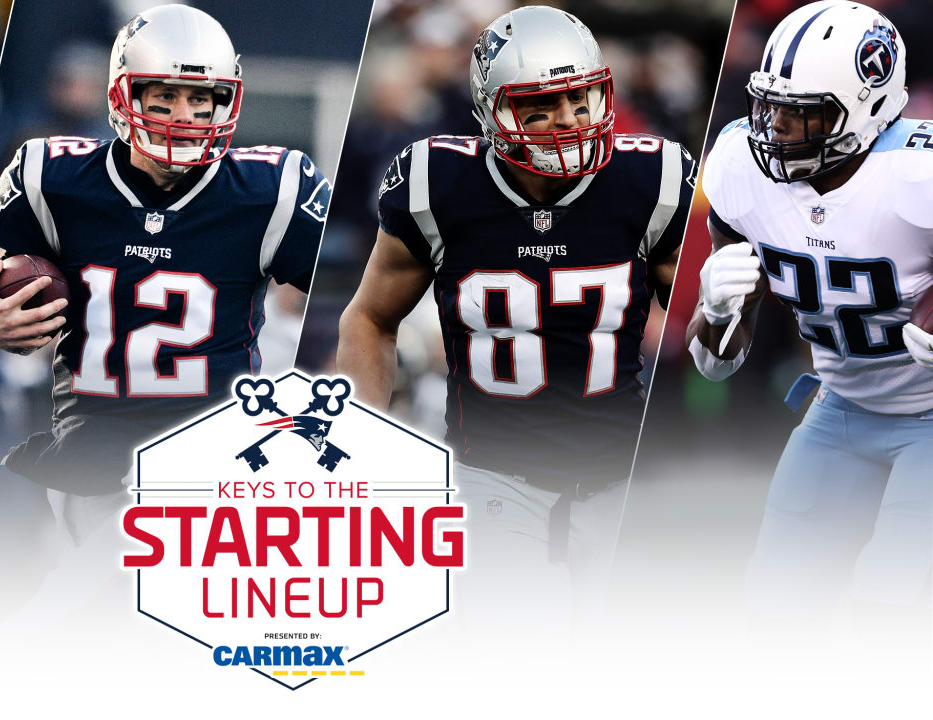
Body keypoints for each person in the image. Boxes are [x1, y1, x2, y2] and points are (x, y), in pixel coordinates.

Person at [336, 6, 694, 628]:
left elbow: (698, 331)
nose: (568, 121)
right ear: (490, 113)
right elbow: (369, 318)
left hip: (619, 477)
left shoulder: (652, 179)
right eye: (540, 106)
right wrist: (366, 439)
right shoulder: (436, 183)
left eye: (581, 99)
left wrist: (719, 312)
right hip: (492, 473)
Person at [0, 4, 327, 565]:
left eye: (201, 99)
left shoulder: (271, 188)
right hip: (93, 463)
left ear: (227, 101)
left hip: (216, 462)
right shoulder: (54, 179)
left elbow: (344, 306)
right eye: (164, 96)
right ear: (125, 96)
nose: (183, 114)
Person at [690, 0, 932, 629]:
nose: (778, 130)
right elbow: (716, 365)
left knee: (894, 602)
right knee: (776, 600)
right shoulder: (744, 169)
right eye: (771, 108)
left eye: (804, 115)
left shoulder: (915, 173)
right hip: (842, 408)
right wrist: (716, 309)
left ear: (869, 108)